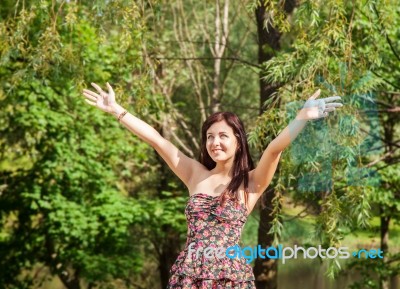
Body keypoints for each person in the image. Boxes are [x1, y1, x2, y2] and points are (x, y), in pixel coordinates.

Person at [82, 83, 343, 288]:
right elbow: (157, 140)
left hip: (230, 279)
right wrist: (118, 110)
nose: (214, 142)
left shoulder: (251, 183)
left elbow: (274, 150)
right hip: (189, 276)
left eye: (222, 136)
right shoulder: (195, 174)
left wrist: (302, 117)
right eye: (209, 137)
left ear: (238, 141)